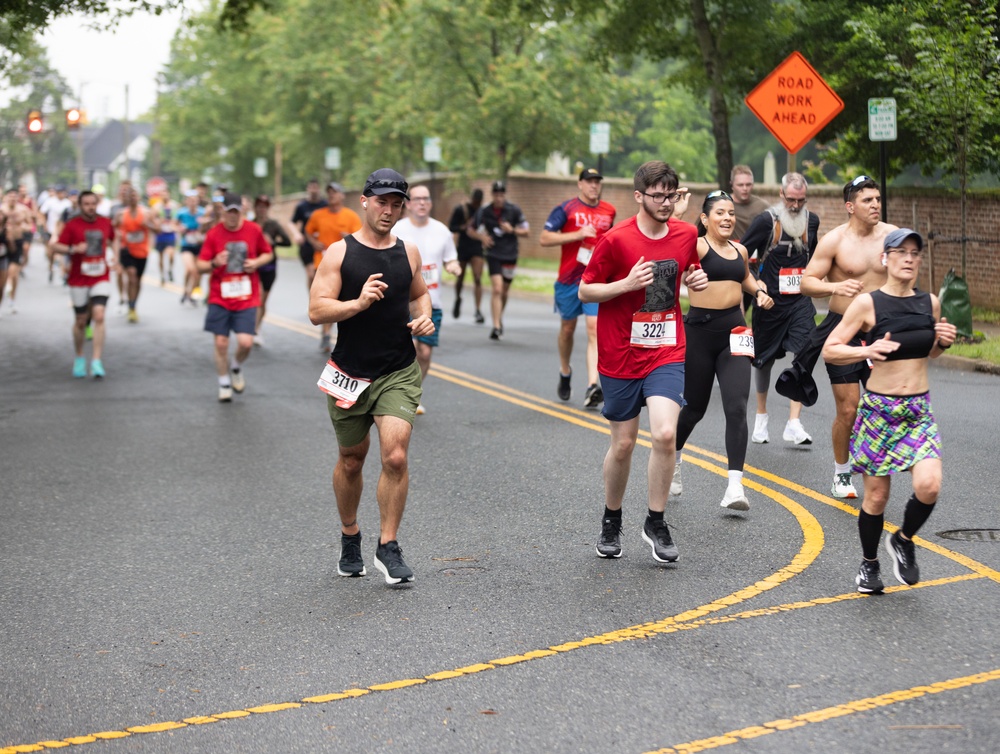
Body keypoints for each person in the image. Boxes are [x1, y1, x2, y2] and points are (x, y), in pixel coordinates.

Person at [308, 168, 434, 585]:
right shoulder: (339, 254)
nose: (390, 210)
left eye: (397, 203)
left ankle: (388, 545)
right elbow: (317, 311)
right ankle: (350, 536)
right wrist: (357, 304)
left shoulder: (408, 252)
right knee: (351, 459)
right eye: (382, 201)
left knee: (395, 455)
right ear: (364, 201)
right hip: (349, 372)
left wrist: (425, 317)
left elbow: (419, 293)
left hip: (397, 369)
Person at [579, 160, 709, 563]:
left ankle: (655, 521)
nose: (667, 202)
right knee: (624, 444)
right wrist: (625, 284)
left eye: (672, 195)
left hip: (667, 349)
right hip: (620, 352)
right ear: (639, 196)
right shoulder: (616, 240)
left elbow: (689, 270)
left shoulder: (688, 234)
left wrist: (695, 280)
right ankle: (612, 518)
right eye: (658, 195)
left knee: (666, 434)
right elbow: (585, 291)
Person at [821, 228, 956, 594]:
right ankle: (869, 565)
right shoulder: (868, 304)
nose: (910, 258)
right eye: (901, 252)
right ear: (886, 259)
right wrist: (865, 352)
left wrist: (942, 343)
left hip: (918, 410)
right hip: (880, 412)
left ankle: (903, 539)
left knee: (929, 485)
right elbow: (831, 349)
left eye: (915, 253)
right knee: (877, 497)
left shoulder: (930, 303)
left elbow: (928, 353)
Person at [787, 176, 898, 499]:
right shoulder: (835, 241)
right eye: (867, 200)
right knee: (848, 409)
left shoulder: (892, 237)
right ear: (850, 206)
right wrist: (835, 287)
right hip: (844, 330)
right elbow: (807, 282)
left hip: (880, 331)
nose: (875, 204)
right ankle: (841, 473)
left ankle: (877, 464)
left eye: (877, 199)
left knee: (884, 406)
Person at [673, 190, 774, 510]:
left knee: (736, 405)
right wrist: (676, 213)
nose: (728, 218)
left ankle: (735, 487)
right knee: (694, 409)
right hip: (700, 334)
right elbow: (670, 243)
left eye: (731, 213)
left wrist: (758, 291)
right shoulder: (697, 245)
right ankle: (672, 457)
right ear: (705, 219)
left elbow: (744, 277)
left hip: (736, 332)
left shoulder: (740, 250)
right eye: (720, 213)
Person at [740, 172, 820, 446]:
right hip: (770, 301)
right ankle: (761, 416)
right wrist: (755, 280)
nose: (796, 206)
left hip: (799, 300)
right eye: (791, 200)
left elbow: (816, 258)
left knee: (807, 349)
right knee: (764, 359)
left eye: (801, 200)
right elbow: (740, 253)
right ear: (781, 196)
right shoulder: (766, 221)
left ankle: (794, 422)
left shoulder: (812, 222)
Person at [539, 167, 617, 408]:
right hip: (568, 280)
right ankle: (565, 370)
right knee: (567, 329)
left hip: (595, 279)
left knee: (594, 328)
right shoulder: (566, 209)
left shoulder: (609, 211)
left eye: (597, 181)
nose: (594, 185)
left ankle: (592, 385)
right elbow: (544, 238)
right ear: (580, 184)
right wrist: (576, 235)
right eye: (590, 181)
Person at [196, 193, 274, 402]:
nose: (232, 215)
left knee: (246, 342)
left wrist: (256, 263)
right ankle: (223, 383)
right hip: (219, 296)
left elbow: (268, 253)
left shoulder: (253, 229)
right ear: (223, 211)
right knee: (221, 343)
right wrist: (214, 263)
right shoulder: (213, 234)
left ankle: (236, 367)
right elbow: (200, 266)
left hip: (246, 296)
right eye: (228, 211)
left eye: (235, 211)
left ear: (241, 211)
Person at [392, 184, 461, 415]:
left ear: (430, 204)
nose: (422, 203)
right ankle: (401, 393)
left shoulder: (441, 230)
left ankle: (413, 392)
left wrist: (454, 266)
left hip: (432, 302)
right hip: (401, 302)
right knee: (409, 348)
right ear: (408, 204)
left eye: (426, 199)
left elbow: (451, 258)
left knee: (425, 353)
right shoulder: (397, 229)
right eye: (417, 199)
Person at [51, 191, 116, 378]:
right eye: (86, 204)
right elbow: (56, 246)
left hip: (100, 276)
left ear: (97, 204)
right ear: (80, 206)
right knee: (80, 320)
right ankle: (80, 356)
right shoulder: (72, 225)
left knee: (99, 315)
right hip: (78, 277)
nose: (90, 207)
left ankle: (96, 360)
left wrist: (116, 258)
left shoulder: (105, 222)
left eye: (93, 203)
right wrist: (73, 248)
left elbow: (114, 239)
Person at [306, 182, 363, 352]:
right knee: (327, 299)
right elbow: (308, 231)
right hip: (322, 262)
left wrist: (350, 237)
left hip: (344, 263)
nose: (332, 195)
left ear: (342, 195)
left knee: (340, 300)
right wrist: (314, 242)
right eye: (329, 192)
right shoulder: (318, 215)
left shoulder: (351, 216)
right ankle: (326, 333)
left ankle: (339, 334)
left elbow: (360, 238)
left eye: (335, 192)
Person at [475, 181, 529, 341]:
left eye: (501, 194)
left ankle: (499, 317)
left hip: (510, 254)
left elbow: (527, 231)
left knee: (504, 291)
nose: (499, 198)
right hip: (493, 254)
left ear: (505, 195)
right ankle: (496, 326)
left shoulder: (514, 210)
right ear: (492, 195)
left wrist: (512, 230)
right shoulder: (484, 211)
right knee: (497, 289)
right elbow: (472, 229)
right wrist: (482, 237)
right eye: (496, 194)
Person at [249, 194, 292, 346]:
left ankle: (257, 328)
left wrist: (272, 242)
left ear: (268, 208)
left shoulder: (273, 225)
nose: (262, 209)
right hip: (253, 267)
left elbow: (288, 242)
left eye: (264, 206)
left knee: (262, 301)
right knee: (257, 297)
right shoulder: (250, 224)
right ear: (255, 208)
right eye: (259, 206)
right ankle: (253, 330)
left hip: (269, 267)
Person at [115, 185, 161, 323]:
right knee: (132, 276)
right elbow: (114, 232)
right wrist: (116, 253)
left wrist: (149, 225)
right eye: (130, 196)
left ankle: (134, 305)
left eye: (135, 195)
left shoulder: (147, 213)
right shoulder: (121, 214)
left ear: (139, 197)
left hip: (141, 251)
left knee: (138, 280)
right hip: (126, 249)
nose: (132, 198)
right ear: (126, 199)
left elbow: (158, 229)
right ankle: (131, 306)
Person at [448, 187, 485, 323]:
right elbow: (451, 227)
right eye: (476, 201)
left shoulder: (482, 211)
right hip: (463, 247)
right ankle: (458, 298)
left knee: (477, 277)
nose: (477, 204)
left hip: (476, 248)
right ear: (472, 199)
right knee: (460, 278)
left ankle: (478, 310)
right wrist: (463, 227)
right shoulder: (461, 209)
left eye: (479, 202)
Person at [290, 179, 328, 289]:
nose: (314, 190)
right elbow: (291, 222)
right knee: (311, 274)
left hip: (321, 244)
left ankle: (318, 299)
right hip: (306, 244)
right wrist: (296, 234)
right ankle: (312, 300)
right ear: (307, 189)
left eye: (316, 187)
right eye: (311, 187)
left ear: (319, 189)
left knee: (319, 274)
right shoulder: (302, 206)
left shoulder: (325, 205)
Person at [1, 190, 31, 314]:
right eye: (10, 196)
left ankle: (12, 300)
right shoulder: (2, 210)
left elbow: (31, 226)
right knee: (2, 278)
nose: (12, 199)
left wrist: (23, 227)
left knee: (13, 274)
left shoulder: (23, 210)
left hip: (17, 242)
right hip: (3, 243)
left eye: (15, 196)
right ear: (6, 197)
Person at [177, 190, 207, 306]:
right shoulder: (182, 213)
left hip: (199, 245)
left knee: (197, 272)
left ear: (198, 201)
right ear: (186, 202)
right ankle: (185, 290)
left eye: (194, 200)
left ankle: (193, 293)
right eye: (190, 200)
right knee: (190, 269)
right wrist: (180, 228)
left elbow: (208, 226)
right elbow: (174, 224)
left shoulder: (203, 212)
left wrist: (203, 228)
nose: (192, 203)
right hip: (186, 245)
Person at [730, 165, 770, 242]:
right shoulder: (721, 204)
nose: (745, 189)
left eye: (748, 184)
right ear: (732, 185)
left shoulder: (763, 207)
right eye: (740, 185)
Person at [153, 195, 178, 285]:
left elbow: (177, 218)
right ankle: (162, 275)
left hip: (170, 233)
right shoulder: (157, 207)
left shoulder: (174, 205)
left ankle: (170, 270)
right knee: (161, 256)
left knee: (171, 254)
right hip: (161, 234)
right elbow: (153, 218)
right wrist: (158, 223)